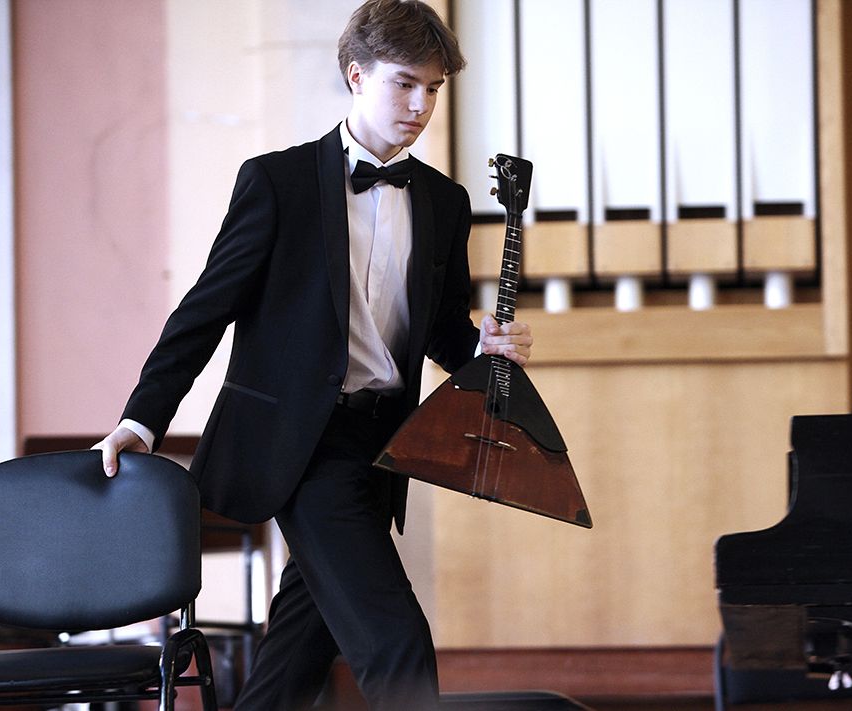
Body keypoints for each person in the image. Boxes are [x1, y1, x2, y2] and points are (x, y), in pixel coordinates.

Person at [93, 1, 532, 708]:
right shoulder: (278, 182)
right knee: (396, 641)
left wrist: (484, 346)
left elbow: (443, 331)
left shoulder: (445, 203)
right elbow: (203, 312)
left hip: (384, 447)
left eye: (433, 88)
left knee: (296, 656)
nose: (420, 106)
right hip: (301, 445)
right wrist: (141, 420)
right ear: (356, 74)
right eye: (403, 84)